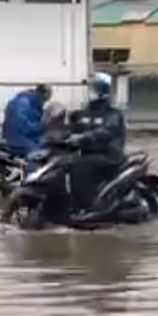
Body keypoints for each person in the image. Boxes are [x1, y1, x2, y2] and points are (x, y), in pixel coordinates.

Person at [66, 72, 128, 213]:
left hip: (110, 154)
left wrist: (84, 137)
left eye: (93, 88)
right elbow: (73, 128)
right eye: (90, 88)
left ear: (102, 90)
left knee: (79, 165)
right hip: (91, 153)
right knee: (65, 162)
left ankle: (87, 206)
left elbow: (107, 132)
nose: (90, 91)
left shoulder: (112, 113)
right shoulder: (85, 112)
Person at [1, 83, 51, 157]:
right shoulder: (25, 104)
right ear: (42, 94)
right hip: (19, 139)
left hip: (11, 136)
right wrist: (43, 127)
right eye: (45, 99)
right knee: (40, 154)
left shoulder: (26, 101)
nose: (44, 102)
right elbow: (25, 127)